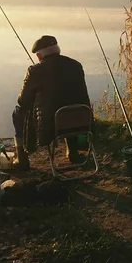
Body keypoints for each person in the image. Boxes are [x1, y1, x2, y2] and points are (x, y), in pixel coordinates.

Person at [12, 35, 91, 170]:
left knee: (18, 112)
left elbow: (23, 101)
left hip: (50, 127)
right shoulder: (76, 65)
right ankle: (72, 151)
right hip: (82, 122)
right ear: (57, 50)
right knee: (68, 105)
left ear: (39, 55)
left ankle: (22, 158)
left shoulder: (35, 70)